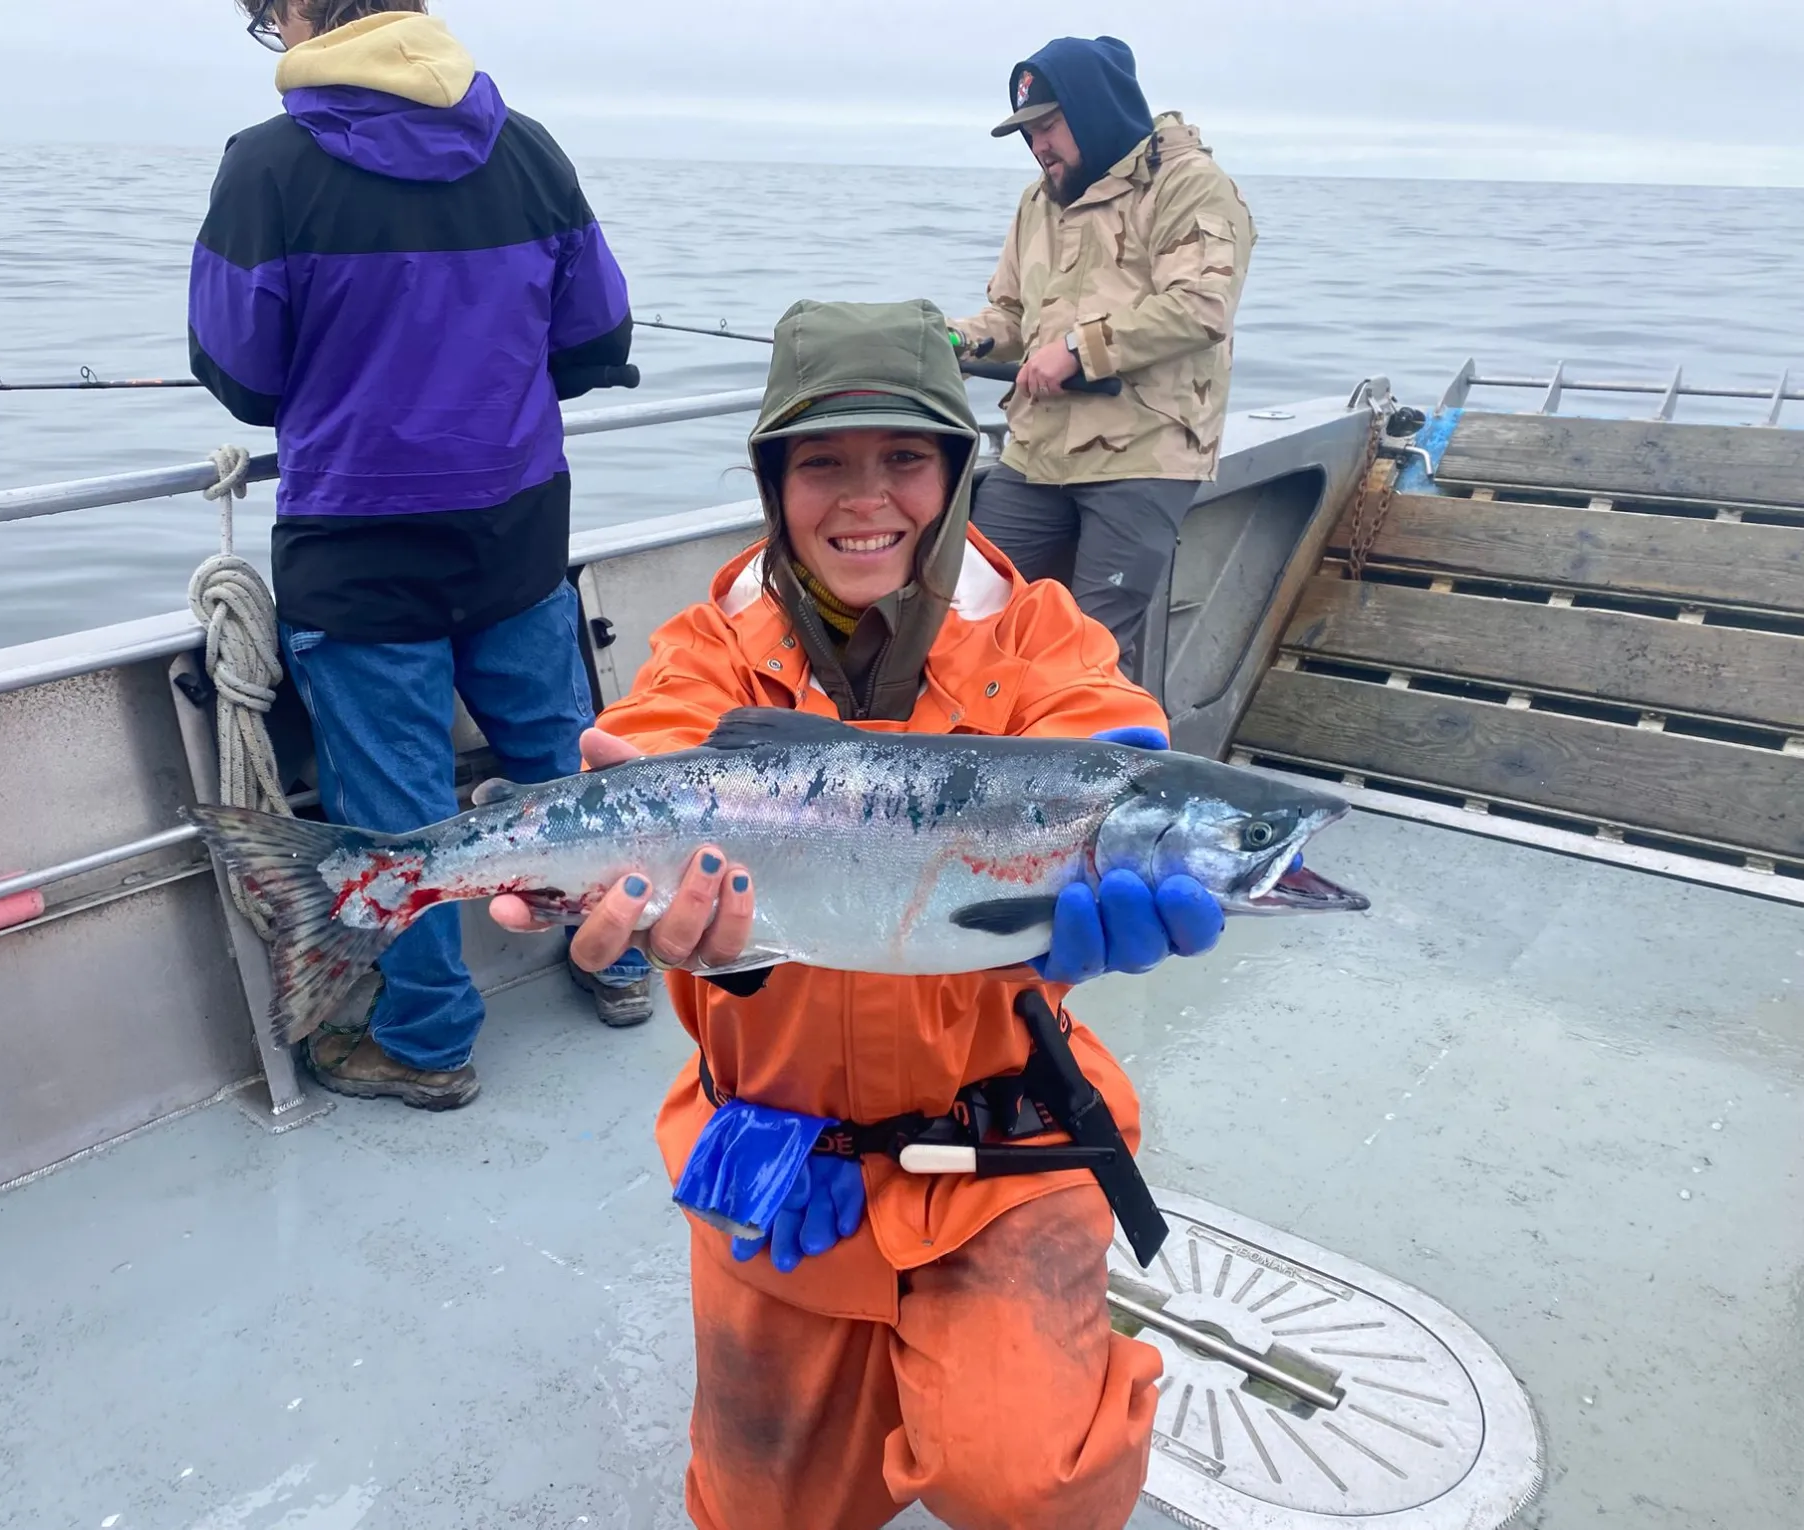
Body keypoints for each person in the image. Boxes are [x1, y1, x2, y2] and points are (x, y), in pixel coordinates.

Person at [492, 299, 1225, 1530]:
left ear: (956, 474)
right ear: (774, 486)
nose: (864, 498)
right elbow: (657, 745)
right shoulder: (706, 650)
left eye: (905, 458)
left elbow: (1104, 735)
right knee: (763, 1508)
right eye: (821, 462)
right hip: (779, 1147)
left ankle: (1066, 1377)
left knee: (1034, 1481)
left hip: (1012, 1141)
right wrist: (624, 869)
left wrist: (1136, 823)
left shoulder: (1039, 633)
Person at [189, 0, 654, 1113]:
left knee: (394, 809)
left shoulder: (267, 167)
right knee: (552, 755)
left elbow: (239, 373)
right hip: (518, 531)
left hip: (360, 545)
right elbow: (598, 342)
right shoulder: (528, 147)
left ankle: (431, 1041)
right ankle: (627, 958)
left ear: (299, 14)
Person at [951, 36, 1257, 704]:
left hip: (1143, 454)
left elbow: (1202, 306)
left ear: (1094, 111)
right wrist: (954, 340)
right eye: (1028, 134)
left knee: (1091, 653)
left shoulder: (1188, 184)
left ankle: (1094, 798)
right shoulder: (1039, 202)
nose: (1039, 147)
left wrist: (1079, 351)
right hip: (1037, 453)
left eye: (1049, 126)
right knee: (963, 612)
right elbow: (1009, 316)